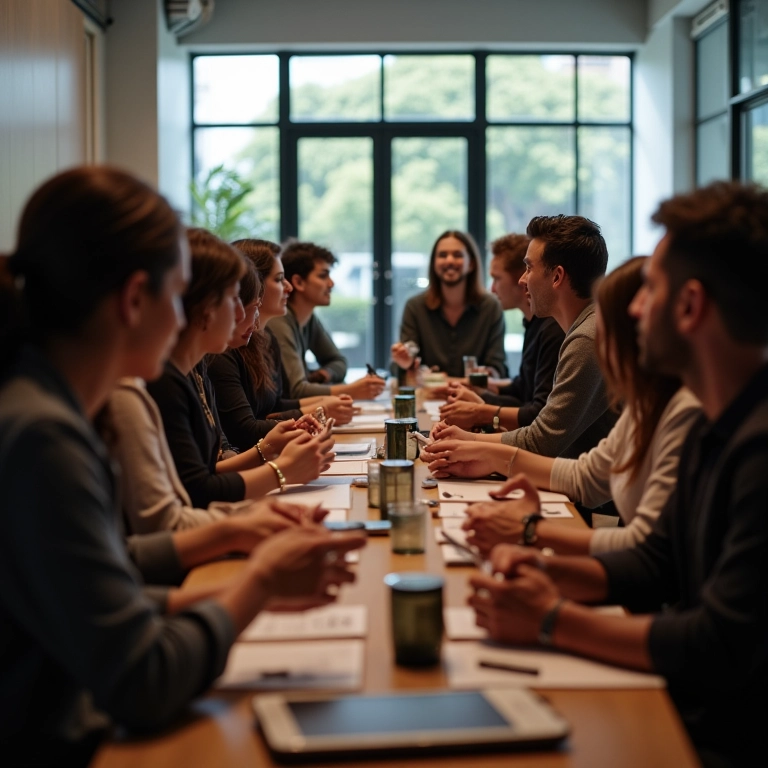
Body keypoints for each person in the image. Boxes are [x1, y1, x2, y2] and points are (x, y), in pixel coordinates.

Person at [0, 166, 364, 765]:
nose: (180, 318)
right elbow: (144, 678)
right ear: (133, 300)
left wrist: (234, 550)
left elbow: (105, 571)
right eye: (176, 295)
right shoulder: (43, 435)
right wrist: (259, 584)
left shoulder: (44, 403)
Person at [468, 182, 768, 767]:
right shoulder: (717, 423)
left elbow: (719, 644)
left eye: (650, 289)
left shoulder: (755, 448)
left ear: (690, 307)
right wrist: (540, 567)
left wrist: (550, 618)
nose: (630, 309)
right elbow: (657, 560)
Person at [425, 257, 701, 555]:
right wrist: (489, 456)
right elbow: (587, 476)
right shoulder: (647, 405)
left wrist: (530, 530)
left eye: (528, 267)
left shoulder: (681, 410)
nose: (521, 279)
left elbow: (649, 552)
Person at [147, 228, 334, 509]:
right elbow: (197, 491)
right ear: (202, 305)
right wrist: (281, 470)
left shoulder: (197, 369)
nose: (241, 313)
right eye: (235, 299)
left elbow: (210, 470)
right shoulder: (167, 380)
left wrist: (269, 448)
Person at [433, 215, 616, 459]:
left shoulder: (586, 338)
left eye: (529, 268)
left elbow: (542, 440)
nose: (522, 280)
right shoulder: (585, 328)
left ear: (557, 277)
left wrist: (468, 438)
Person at [208, 239, 355, 450]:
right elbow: (244, 430)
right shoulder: (222, 352)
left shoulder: (265, 338)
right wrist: (317, 410)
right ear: (253, 284)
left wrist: (319, 405)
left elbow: (275, 404)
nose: (288, 287)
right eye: (279, 279)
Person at [438, 232, 563, 429]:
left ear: (522, 279)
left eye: (497, 279)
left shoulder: (552, 328)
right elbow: (522, 389)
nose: (492, 289)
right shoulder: (534, 323)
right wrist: (480, 392)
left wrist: (479, 409)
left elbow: (538, 412)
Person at [267, 239, 386, 400]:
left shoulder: (309, 318)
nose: (331, 283)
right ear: (298, 282)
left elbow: (339, 361)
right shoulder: (278, 321)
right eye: (323, 276)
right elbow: (296, 390)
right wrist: (352, 390)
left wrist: (324, 374)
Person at [391, 230, 508, 379]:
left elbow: (498, 367)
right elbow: (403, 364)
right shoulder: (414, 307)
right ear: (434, 263)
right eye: (442, 255)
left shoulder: (491, 307)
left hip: (474, 393)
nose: (449, 261)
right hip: (428, 392)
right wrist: (405, 362)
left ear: (471, 264)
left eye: (458, 255)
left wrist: (487, 374)